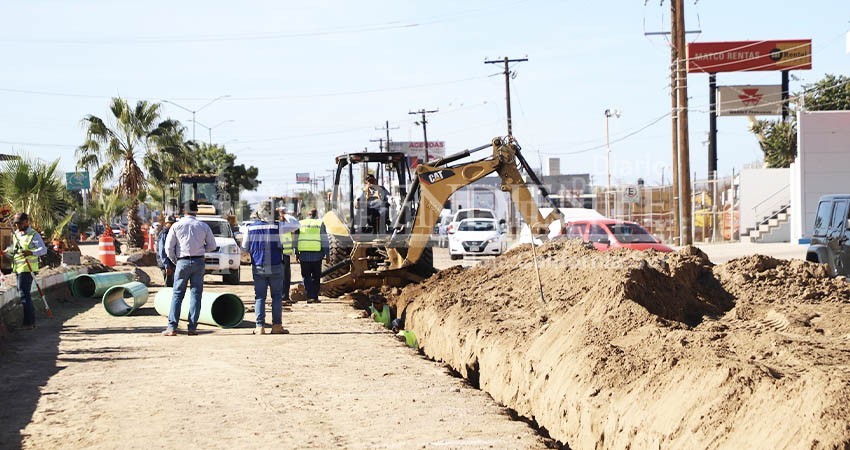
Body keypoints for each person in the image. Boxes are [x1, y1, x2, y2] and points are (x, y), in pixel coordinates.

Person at [241, 206, 300, 335]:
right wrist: (284, 214)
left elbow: (244, 248)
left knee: (260, 297)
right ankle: (277, 326)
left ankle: (259, 327)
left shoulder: (250, 228)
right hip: (275, 265)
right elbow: (296, 224)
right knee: (277, 296)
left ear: (258, 214)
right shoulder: (279, 226)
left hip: (258, 266)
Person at [163, 201, 217, 336]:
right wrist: (201, 250)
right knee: (196, 294)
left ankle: (172, 327)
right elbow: (212, 246)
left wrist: (176, 261)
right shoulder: (203, 226)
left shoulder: (176, 226)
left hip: (182, 261)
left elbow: (168, 248)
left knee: (177, 294)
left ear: (183, 210)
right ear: (196, 211)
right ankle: (192, 327)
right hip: (198, 261)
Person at [7, 213, 47, 330]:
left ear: (26, 222)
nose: (17, 225)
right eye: (16, 223)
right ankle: (29, 321)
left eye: (19, 223)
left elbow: (43, 250)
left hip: (28, 269)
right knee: (23, 293)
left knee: (24, 294)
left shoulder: (33, 235)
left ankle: (29, 322)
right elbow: (14, 250)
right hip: (18, 268)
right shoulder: (16, 235)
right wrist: (6, 252)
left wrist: (31, 252)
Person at [294, 208, 328, 304]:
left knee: (306, 276)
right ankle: (315, 297)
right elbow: (324, 240)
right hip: (317, 255)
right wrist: (328, 254)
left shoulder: (300, 223)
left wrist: (296, 253)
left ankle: (310, 296)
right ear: (316, 215)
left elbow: (295, 240)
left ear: (307, 214)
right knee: (316, 277)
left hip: (304, 255)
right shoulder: (319, 223)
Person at [277, 207, 300, 306]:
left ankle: (281, 296)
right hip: (283, 255)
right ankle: (283, 296)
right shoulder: (282, 226)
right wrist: (285, 214)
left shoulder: (276, 226)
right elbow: (296, 224)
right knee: (285, 277)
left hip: (280, 254)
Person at [157, 216, 177, 287]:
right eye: (170, 223)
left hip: (172, 263)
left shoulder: (173, 233)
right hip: (166, 264)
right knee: (168, 286)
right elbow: (162, 251)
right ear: (166, 224)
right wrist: (166, 266)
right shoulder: (164, 233)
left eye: (173, 223)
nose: (172, 225)